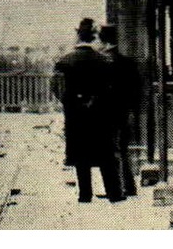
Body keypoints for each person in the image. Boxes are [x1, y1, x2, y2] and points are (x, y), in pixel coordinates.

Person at [51, 18, 124, 203]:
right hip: (100, 115)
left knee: (81, 155)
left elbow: (56, 87)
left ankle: (85, 194)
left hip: (76, 116)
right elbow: (112, 88)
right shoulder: (104, 61)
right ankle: (114, 193)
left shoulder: (65, 61)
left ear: (78, 36)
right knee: (105, 155)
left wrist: (72, 102)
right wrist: (98, 102)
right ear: (93, 37)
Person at [98, 24, 140, 198]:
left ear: (103, 40)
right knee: (122, 149)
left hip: (105, 112)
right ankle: (129, 187)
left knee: (109, 151)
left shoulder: (100, 62)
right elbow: (136, 88)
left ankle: (116, 189)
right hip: (124, 111)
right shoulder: (127, 62)